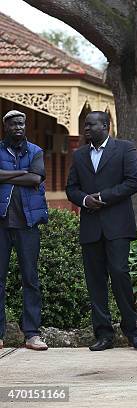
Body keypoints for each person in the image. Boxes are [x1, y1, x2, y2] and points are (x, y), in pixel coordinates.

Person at [66, 111, 137, 351]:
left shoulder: (125, 148)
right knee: (95, 282)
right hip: (91, 227)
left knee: (120, 275)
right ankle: (103, 334)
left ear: (106, 126)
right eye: (85, 125)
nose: (86, 129)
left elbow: (134, 181)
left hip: (117, 227)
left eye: (91, 125)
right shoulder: (79, 155)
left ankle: (133, 332)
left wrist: (102, 197)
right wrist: (84, 200)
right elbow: (71, 188)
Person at [0, 110, 48, 351]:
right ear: (5, 127)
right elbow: (28, 176)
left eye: (21, 123)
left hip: (28, 225)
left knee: (30, 279)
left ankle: (32, 334)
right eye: (13, 124)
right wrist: (23, 173)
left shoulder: (36, 151)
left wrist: (7, 177)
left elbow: (36, 178)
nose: (18, 127)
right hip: (1, 225)